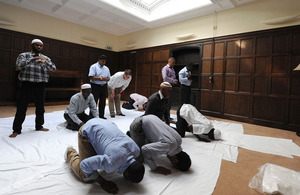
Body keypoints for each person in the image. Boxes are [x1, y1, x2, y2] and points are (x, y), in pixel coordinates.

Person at [65, 118, 145, 194]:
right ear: (126, 174)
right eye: (129, 181)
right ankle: (70, 152)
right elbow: (84, 165)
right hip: (87, 130)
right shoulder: (111, 163)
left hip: (104, 123)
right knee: (84, 175)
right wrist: (102, 182)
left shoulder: (136, 150)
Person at [10, 39, 56, 138]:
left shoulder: (46, 58)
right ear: (32, 45)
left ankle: (39, 126)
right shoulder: (24, 55)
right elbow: (18, 65)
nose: (39, 47)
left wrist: (45, 62)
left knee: (40, 107)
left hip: (40, 84)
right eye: (37, 45)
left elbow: (53, 68)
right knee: (22, 107)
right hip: (27, 84)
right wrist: (34, 59)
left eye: (41, 46)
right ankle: (16, 130)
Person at [88, 55, 110, 119]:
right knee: (94, 101)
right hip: (95, 86)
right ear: (99, 60)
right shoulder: (93, 66)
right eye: (103, 61)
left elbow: (109, 78)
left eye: (105, 61)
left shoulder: (106, 68)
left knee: (103, 101)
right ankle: (92, 115)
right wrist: (100, 78)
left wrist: (106, 79)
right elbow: (91, 77)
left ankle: (101, 115)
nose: (104, 63)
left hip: (103, 86)